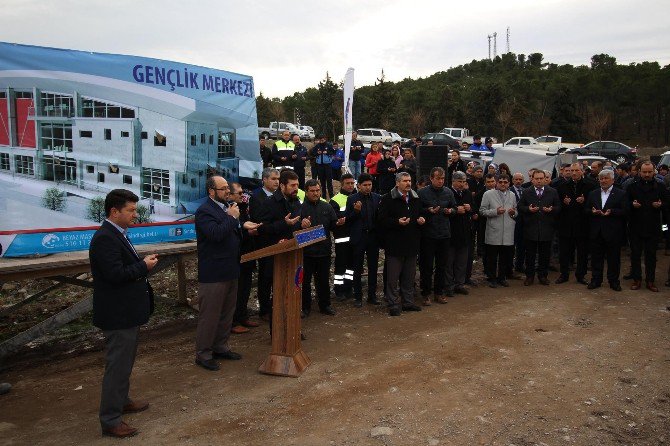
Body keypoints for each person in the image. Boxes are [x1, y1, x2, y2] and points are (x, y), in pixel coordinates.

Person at [89, 189, 158, 438]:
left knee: (124, 362)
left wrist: (141, 263)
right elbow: (115, 275)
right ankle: (110, 419)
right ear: (114, 211)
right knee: (117, 365)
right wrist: (143, 266)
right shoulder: (105, 238)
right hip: (118, 314)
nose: (134, 214)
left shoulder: (118, 234)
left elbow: (123, 266)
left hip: (128, 311)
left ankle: (122, 401)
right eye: (130, 210)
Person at [195, 176, 259, 371]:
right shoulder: (205, 211)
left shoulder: (226, 207)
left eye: (227, 189)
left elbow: (230, 231)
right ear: (211, 191)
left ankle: (221, 346)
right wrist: (232, 218)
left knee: (226, 313)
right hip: (214, 272)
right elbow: (215, 234)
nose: (227, 192)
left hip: (231, 268)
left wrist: (242, 226)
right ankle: (203, 354)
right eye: (223, 189)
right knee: (210, 315)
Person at [256, 169, 308, 326]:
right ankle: (278, 330)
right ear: (282, 186)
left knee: (293, 291)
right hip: (275, 257)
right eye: (292, 185)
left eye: (297, 185)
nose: (295, 188)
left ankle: (293, 327)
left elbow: (297, 223)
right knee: (278, 295)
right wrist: (283, 224)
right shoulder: (269, 203)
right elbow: (262, 228)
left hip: (294, 254)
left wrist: (303, 224)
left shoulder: (297, 201)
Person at [377, 172, 425, 316]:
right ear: (397, 183)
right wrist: (397, 222)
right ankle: (393, 303)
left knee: (409, 276)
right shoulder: (388, 199)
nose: (408, 183)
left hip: (411, 243)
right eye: (405, 181)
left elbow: (420, 213)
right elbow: (381, 220)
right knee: (393, 277)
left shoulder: (415, 198)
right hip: (395, 244)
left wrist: (421, 218)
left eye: (409, 180)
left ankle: (408, 302)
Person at [626, 161, 668, 291]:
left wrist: (661, 205)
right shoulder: (631, 187)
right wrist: (632, 205)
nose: (647, 174)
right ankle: (637, 279)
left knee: (651, 256)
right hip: (635, 227)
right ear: (640, 172)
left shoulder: (660, 187)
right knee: (635, 255)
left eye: (649, 172)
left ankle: (650, 280)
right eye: (644, 172)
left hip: (653, 227)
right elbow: (625, 204)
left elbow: (667, 205)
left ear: (654, 172)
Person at [418, 167, 456, 305]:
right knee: (426, 266)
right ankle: (425, 293)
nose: (440, 181)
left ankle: (439, 293)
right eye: (438, 178)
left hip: (444, 234)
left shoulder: (448, 192)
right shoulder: (422, 193)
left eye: (442, 179)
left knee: (442, 266)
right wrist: (428, 210)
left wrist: (450, 211)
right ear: (431, 178)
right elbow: (417, 210)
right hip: (428, 235)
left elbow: (455, 208)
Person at [300, 179, 338, 316]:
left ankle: (325, 305)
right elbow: (294, 229)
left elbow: (333, 226)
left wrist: (339, 223)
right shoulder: (300, 208)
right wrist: (301, 225)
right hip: (306, 253)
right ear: (306, 192)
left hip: (324, 251)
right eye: (312, 191)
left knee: (323, 281)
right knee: (305, 282)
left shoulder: (327, 207)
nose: (316, 193)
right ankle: (305, 307)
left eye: (318, 190)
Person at [585, 169, 628, 291]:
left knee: (613, 259)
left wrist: (612, 212)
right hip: (596, 231)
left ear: (613, 180)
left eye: (606, 178)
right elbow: (586, 210)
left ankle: (613, 281)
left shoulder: (621, 193)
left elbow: (626, 211)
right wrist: (592, 212)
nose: (603, 181)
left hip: (613, 231)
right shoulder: (593, 193)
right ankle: (596, 280)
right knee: (596, 258)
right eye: (601, 178)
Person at [518, 170, 561, 285]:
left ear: (545, 179)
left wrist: (552, 209)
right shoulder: (527, 192)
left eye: (541, 178)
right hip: (530, 228)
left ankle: (543, 276)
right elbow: (520, 206)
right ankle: (530, 276)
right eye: (536, 178)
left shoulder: (552, 191)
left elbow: (558, 207)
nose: (539, 180)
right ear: (532, 179)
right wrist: (528, 209)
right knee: (530, 255)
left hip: (547, 228)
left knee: (544, 255)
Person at [555, 163, 596, 284]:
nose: (573, 173)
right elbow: (557, 205)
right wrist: (564, 203)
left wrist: (585, 201)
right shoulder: (561, 186)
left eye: (576, 170)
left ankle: (581, 275)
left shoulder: (591, 185)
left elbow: (594, 204)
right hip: (566, 225)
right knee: (564, 252)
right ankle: (564, 274)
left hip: (583, 225)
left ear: (582, 171)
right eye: (571, 170)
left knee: (582, 252)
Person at [345, 173, 382, 307]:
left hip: (372, 237)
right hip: (359, 238)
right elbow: (347, 220)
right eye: (365, 185)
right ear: (358, 186)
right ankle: (358, 297)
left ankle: (372, 296)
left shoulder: (377, 198)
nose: (367, 187)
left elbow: (380, 218)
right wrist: (355, 211)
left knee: (373, 267)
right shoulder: (352, 199)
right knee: (357, 268)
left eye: (369, 185)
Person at [229, 182, 261, 334]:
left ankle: (243, 316)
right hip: (236, 257)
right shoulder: (229, 211)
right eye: (239, 193)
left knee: (245, 289)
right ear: (229, 195)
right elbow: (231, 231)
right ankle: (233, 322)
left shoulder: (243, 208)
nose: (243, 195)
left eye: (243, 192)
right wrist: (245, 230)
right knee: (235, 291)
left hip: (248, 255)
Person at [249, 168, 280, 321]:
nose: (277, 182)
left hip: (280, 244)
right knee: (266, 277)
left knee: (277, 277)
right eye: (273, 179)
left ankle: (276, 306)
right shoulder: (256, 197)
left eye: (278, 179)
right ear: (264, 180)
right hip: (265, 243)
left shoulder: (279, 196)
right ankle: (265, 310)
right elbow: (258, 221)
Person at [479, 174, 517, 287]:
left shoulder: (512, 195)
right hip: (494, 230)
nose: (503, 184)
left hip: (508, 231)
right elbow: (482, 211)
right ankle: (492, 278)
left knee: (505, 257)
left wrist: (513, 213)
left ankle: (502, 277)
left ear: (509, 183)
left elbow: (516, 211)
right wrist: (495, 211)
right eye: (500, 182)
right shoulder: (488, 194)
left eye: (505, 182)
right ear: (497, 183)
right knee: (492, 257)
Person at [446, 171, 474, 296]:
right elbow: (444, 210)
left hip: (465, 232)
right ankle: (448, 285)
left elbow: (474, 209)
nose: (462, 184)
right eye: (460, 182)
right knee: (449, 262)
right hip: (451, 232)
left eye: (464, 182)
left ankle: (459, 284)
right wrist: (455, 210)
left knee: (462, 262)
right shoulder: (447, 193)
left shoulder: (467, 193)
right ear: (453, 181)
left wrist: (470, 209)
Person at [330, 173, 356, 301]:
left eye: (352, 183)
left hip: (355, 238)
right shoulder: (335, 200)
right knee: (341, 266)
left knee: (351, 266)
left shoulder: (358, 197)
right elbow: (335, 220)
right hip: (342, 239)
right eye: (348, 183)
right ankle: (339, 289)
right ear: (342, 184)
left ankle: (349, 287)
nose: (351, 186)